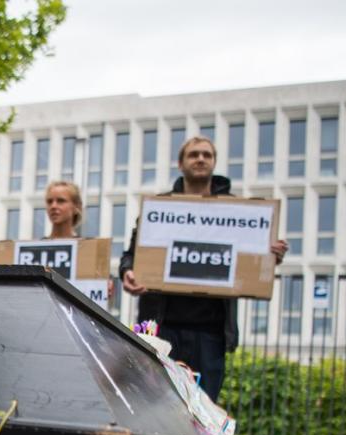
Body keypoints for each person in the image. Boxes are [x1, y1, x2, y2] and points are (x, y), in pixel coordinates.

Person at [119, 135, 288, 403]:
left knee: (203, 410)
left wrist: (269, 256)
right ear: (181, 163)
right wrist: (128, 272)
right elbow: (130, 256)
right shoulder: (158, 208)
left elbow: (252, 263)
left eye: (207, 155)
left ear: (214, 162)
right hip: (162, 328)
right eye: (194, 154)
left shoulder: (239, 211)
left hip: (211, 334)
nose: (200, 159)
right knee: (156, 404)